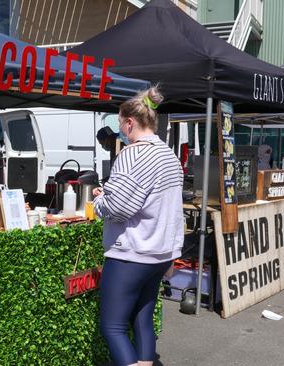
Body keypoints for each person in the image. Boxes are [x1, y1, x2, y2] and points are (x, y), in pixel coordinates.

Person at [92, 87, 183, 366]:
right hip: (159, 251)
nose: (121, 130)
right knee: (142, 319)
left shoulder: (132, 155)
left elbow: (118, 209)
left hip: (131, 253)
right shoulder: (168, 154)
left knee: (113, 326)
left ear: (129, 122)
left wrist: (100, 201)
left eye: (120, 124)